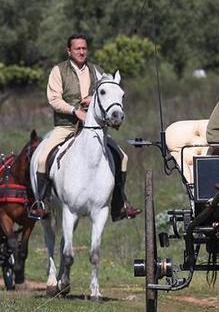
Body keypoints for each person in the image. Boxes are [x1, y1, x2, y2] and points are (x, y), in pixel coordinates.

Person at [29, 34, 140, 221]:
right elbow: (54, 99)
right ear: (69, 51)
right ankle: (42, 204)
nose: (81, 52)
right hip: (65, 126)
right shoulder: (58, 71)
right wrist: (75, 111)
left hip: (92, 129)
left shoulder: (96, 71)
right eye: (77, 48)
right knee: (41, 160)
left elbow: (107, 93)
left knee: (123, 157)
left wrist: (94, 101)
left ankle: (119, 204)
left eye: (84, 48)